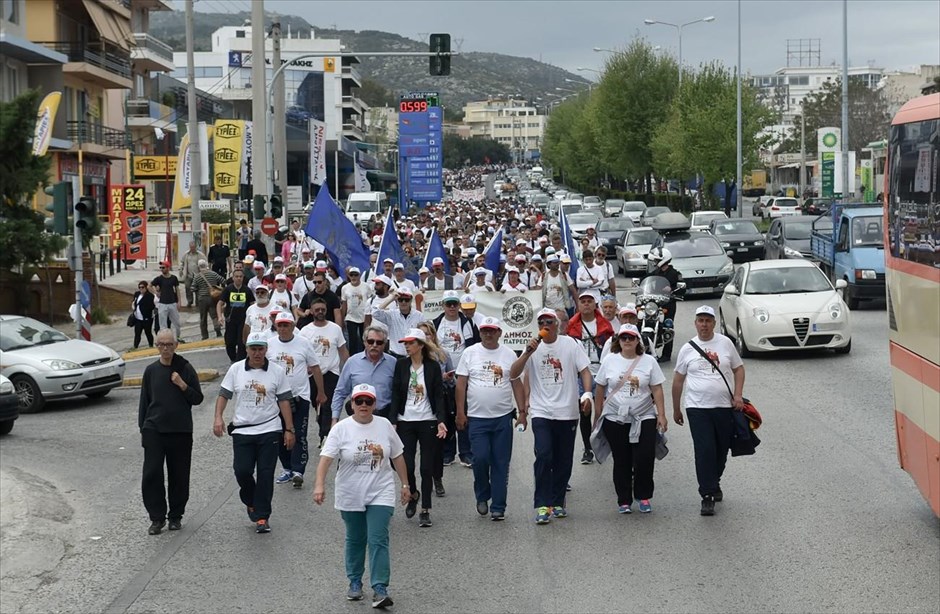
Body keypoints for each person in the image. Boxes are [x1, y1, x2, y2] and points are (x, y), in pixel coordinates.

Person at [313, 383, 410, 608]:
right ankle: (355, 581)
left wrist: (405, 484)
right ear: (352, 404)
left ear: (374, 404)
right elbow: (325, 459)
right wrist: (319, 485)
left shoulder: (385, 425)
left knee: (378, 538)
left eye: (368, 401)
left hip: (381, 490)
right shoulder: (341, 429)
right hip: (351, 492)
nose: (364, 406)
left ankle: (380, 588)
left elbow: (397, 456)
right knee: (356, 539)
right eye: (359, 401)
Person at [510, 308, 592, 524]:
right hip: (541, 410)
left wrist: (588, 395)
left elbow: (585, 370)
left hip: (567, 411)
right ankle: (542, 504)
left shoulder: (570, 344)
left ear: (557, 324)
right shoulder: (533, 347)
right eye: (541, 322)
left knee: (563, 458)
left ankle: (557, 501)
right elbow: (513, 373)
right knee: (544, 454)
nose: (545, 325)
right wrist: (527, 352)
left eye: (549, 321)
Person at [213, 332, 296, 533]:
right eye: (253, 349)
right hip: (243, 431)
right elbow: (224, 394)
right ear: (247, 350)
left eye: (261, 349)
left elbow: (284, 401)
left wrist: (289, 429)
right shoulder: (236, 369)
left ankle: (262, 516)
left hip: (270, 430)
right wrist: (218, 417)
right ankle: (250, 501)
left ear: (266, 350)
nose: (257, 353)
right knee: (242, 471)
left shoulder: (276, 371)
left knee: (266, 475)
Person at [671, 306, 745, 517]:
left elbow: (739, 369)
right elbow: (677, 381)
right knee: (705, 450)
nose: (704, 324)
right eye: (700, 320)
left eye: (708, 321)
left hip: (723, 407)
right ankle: (707, 494)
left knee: (721, 450)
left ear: (714, 323)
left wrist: (738, 395)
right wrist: (676, 409)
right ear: (695, 323)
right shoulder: (687, 349)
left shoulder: (725, 343)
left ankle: (714, 481)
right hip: (697, 408)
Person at [455, 317, 525, 521]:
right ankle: (482, 495)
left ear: (499, 333)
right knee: (480, 458)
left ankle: (498, 506)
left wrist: (522, 412)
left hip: (502, 417)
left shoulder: (509, 354)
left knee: (501, 463)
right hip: (477, 418)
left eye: (492, 330)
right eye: (484, 330)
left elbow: (516, 382)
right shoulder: (470, 353)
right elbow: (461, 384)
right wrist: (460, 412)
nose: (488, 334)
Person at [593, 323, 667, 514]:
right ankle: (624, 500)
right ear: (619, 340)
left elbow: (657, 388)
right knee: (622, 459)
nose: (627, 341)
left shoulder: (649, 361)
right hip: (615, 417)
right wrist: (598, 413)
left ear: (637, 341)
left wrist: (662, 414)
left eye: (631, 338)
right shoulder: (610, 360)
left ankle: (643, 496)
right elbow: (600, 387)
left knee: (644, 457)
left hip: (644, 415)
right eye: (624, 338)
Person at [138, 330, 204, 534]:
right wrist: (143, 430)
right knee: (152, 474)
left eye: (169, 344)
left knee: (179, 474)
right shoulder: (151, 370)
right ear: (157, 346)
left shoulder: (184, 368)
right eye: (161, 344)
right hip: (154, 430)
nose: (165, 348)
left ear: (176, 345)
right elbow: (144, 402)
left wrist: (183, 385)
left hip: (180, 430)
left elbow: (197, 398)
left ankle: (175, 515)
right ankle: (157, 518)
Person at [389, 328, 448, 528]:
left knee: (426, 467)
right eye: (405, 343)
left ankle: (425, 509)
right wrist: (393, 420)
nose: (406, 346)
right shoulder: (401, 365)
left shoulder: (432, 367)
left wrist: (441, 419)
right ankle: (413, 493)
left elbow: (439, 395)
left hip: (427, 419)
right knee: (407, 464)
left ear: (420, 345)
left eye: (410, 343)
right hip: (406, 420)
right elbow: (396, 392)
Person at [267, 312, 327, 489]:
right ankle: (287, 468)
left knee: (299, 434)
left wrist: (320, 393)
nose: (283, 329)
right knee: (280, 434)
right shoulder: (269, 345)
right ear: (276, 327)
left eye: (287, 325)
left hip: (299, 396)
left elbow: (315, 368)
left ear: (293, 326)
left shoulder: (303, 343)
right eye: (280, 325)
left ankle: (298, 471)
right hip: (276, 398)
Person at [432, 290, 481, 468]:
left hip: (462, 376)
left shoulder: (466, 323)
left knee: (463, 412)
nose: (452, 307)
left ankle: (466, 453)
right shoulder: (436, 323)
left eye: (455, 304)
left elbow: (474, 347)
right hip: (442, 375)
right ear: (443, 305)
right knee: (445, 413)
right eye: (448, 304)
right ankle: (447, 452)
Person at [567, 291, 614, 465]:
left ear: (595, 305)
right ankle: (587, 448)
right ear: (578, 305)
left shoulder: (604, 326)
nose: (586, 304)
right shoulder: (572, 326)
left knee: (603, 412)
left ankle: (603, 443)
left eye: (589, 301)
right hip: (582, 373)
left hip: (601, 372)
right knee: (584, 412)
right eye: (583, 301)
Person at [298, 297, 349, 444]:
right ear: (312, 311)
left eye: (323, 310)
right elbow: (301, 353)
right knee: (317, 403)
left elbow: (343, 350)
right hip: (312, 374)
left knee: (328, 404)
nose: (320, 312)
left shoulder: (335, 329)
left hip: (331, 372)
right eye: (317, 310)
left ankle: (326, 435)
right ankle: (322, 423)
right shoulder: (305, 331)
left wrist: (350, 367)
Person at [331, 326, 396, 421]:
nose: (374, 345)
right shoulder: (352, 362)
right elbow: (340, 392)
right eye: (370, 341)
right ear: (364, 342)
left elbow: (398, 394)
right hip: (358, 415)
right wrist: (334, 419)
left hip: (384, 416)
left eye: (379, 342)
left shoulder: (393, 363)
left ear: (384, 344)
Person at [646, 247, 684, 362]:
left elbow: (682, 289)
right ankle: (647, 349)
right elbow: (646, 279)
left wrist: (672, 289)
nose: (654, 263)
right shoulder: (656, 272)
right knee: (648, 320)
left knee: (668, 326)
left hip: (668, 303)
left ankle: (666, 354)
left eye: (656, 260)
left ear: (663, 260)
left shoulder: (674, 274)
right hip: (655, 302)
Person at [370, 287, 425, 358]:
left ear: (411, 300)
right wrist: (391, 298)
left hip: (413, 355)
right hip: (395, 355)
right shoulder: (391, 314)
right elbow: (375, 313)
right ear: (397, 301)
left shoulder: (419, 316)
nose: (403, 302)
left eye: (406, 300)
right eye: (400, 299)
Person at [216, 270, 254, 362]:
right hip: (230, 320)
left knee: (242, 343)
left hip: (243, 320)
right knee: (229, 342)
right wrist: (220, 317)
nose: (238, 278)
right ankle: (233, 359)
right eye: (236, 276)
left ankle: (240, 361)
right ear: (233, 278)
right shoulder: (228, 289)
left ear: (243, 278)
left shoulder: (247, 290)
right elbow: (219, 303)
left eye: (240, 276)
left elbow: (253, 304)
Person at [341, 266, 373, 355]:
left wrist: (370, 317)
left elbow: (371, 301)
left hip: (364, 317)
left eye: (356, 275)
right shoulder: (345, 288)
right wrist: (342, 318)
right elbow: (344, 304)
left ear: (359, 276)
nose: (354, 277)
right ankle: (353, 358)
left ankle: (366, 355)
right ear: (349, 276)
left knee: (365, 338)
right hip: (351, 317)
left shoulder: (366, 286)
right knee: (352, 340)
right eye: (352, 275)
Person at [191, 260, 224, 340]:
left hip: (202, 299)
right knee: (214, 316)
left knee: (203, 318)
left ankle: (205, 335)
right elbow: (223, 280)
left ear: (199, 267)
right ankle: (218, 331)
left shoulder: (197, 276)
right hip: (213, 297)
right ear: (206, 265)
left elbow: (192, 288)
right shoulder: (213, 274)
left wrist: (198, 289)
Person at [151, 260, 182, 341]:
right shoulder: (159, 278)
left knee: (177, 323)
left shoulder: (174, 278)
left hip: (172, 303)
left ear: (168, 268)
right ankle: (164, 339)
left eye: (163, 267)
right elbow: (150, 285)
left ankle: (178, 337)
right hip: (162, 304)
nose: (161, 269)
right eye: (160, 268)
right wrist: (156, 292)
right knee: (163, 324)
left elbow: (177, 290)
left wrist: (179, 301)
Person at [180, 241, 206, 308]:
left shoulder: (200, 255)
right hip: (188, 275)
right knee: (188, 288)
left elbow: (205, 263)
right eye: (191, 247)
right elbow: (182, 262)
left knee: (198, 289)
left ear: (196, 247)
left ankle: (198, 302)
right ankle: (189, 301)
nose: (192, 249)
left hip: (198, 275)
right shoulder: (186, 254)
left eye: (193, 247)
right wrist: (180, 269)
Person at [131, 281, 156, 349]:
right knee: (137, 334)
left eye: (142, 287)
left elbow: (152, 306)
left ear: (146, 287)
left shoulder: (150, 296)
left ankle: (151, 345)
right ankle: (135, 347)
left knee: (148, 333)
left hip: (147, 319)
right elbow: (134, 302)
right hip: (138, 319)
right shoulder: (137, 294)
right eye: (139, 287)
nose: (141, 289)